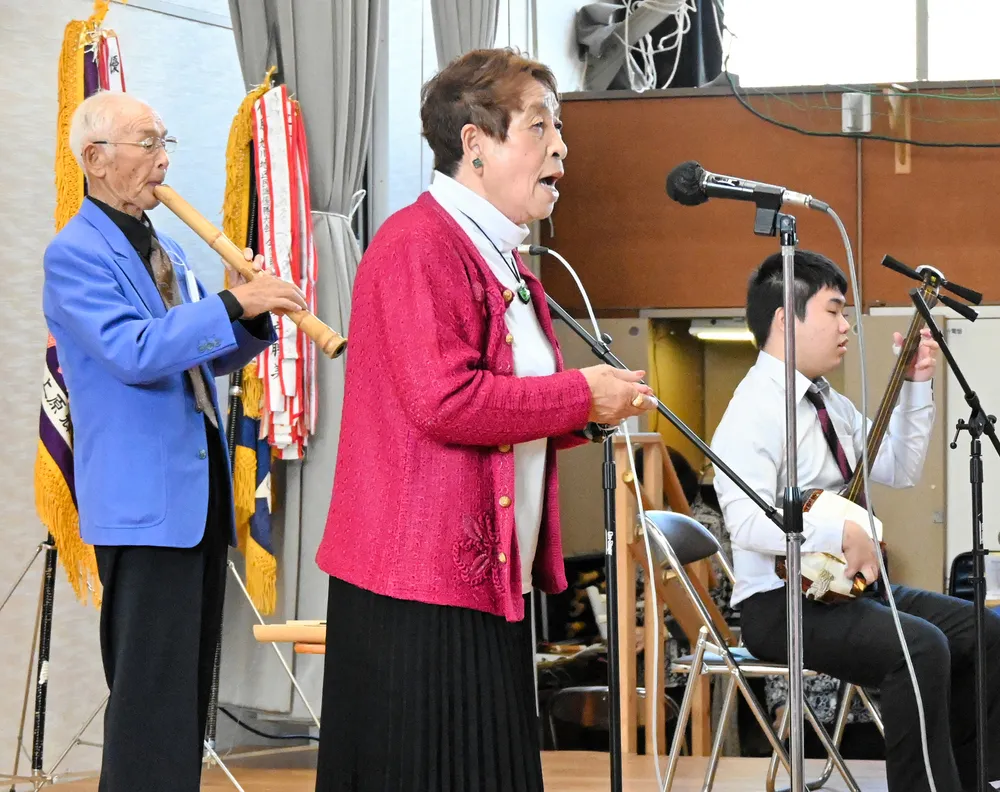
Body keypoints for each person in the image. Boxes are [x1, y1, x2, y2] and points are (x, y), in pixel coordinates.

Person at [313, 48, 655, 791]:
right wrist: (578, 397)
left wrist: (590, 414)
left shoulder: (503, 258)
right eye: (540, 127)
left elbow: (506, 407)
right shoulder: (417, 245)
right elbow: (445, 402)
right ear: (475, 145)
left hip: (483, 576)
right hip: (420, 585)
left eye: (558, 126)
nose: (561, 146)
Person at [42, 91, 307, 792]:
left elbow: (200, 357)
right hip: (144, 506)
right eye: (147, 143)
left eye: (165, 142)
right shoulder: (75, 254)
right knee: (150, 700)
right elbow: (134, 351)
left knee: (186, 699)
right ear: (96, 160)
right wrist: (228, 305)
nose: (163, 159)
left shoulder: (167, 246)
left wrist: (252, 317)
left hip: (196, 500)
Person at [711, 249, 1000, 792]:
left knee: (980, 632)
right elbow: (746, 522)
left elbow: (898, 466)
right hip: (781, 605)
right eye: (834, 311)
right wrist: (837, 530)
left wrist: (915, 386)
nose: (847, 326)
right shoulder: (752, 410)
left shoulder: (828, 402)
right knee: (920, 647)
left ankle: (973, 780)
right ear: (784, 319)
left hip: (842, 592)